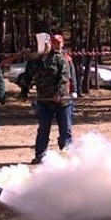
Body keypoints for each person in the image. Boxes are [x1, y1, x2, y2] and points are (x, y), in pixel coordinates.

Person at [20, 32, 70, 164]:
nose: (44, 46)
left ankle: (67, 153)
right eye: (40, 44)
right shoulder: (33, 62)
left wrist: (58, 94)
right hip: (44, 101)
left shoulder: (60, 59)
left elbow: (64, 78)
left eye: (46, 44)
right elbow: (27, 78)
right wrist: (24, 92)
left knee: (65, 129)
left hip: (62, 101)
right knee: (43, 129)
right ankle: (40, 155)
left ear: (50, 44)